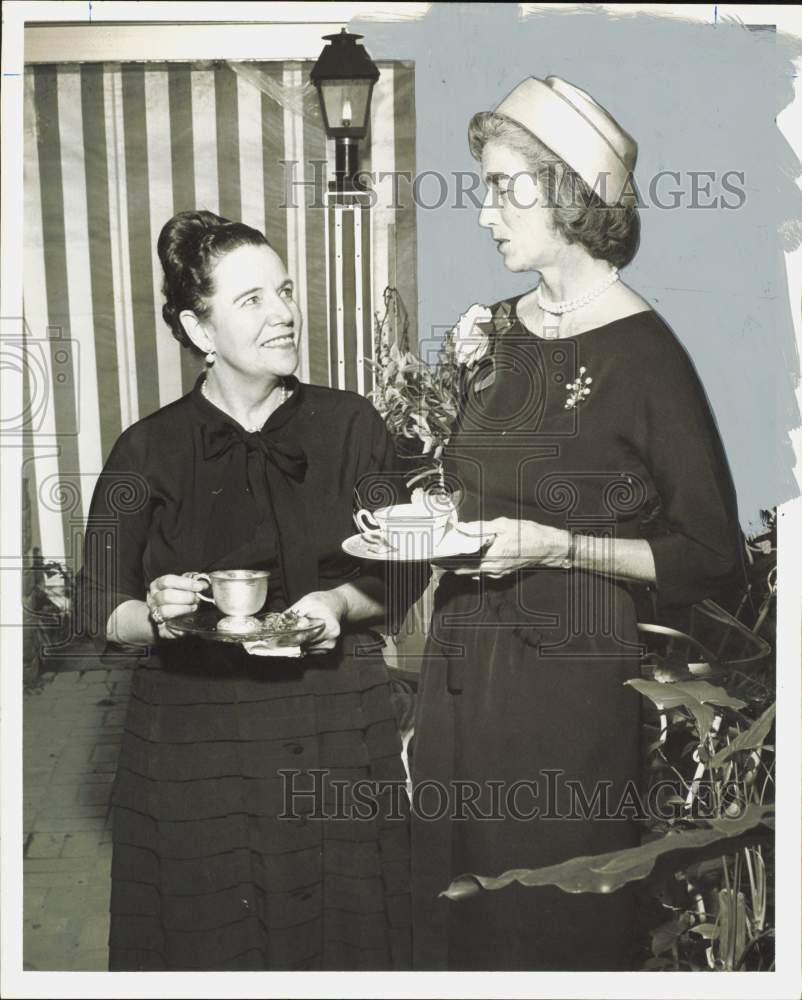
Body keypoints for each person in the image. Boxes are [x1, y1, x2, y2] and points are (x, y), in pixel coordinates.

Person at [410, 76, 746, 971]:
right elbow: (482, 485)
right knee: (455, 923)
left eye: (502, 187)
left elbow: (713, 554)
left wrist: (562, 545)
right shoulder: (501, 331)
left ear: (568, 194)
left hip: (569, 697)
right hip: (459, 673)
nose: (482, 212)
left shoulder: (647, 356)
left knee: (549, 928)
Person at [78, 210, 416, 971]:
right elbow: (98, 602)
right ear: (199, 330)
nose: (286, 313)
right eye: (253, 299)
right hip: (196, 739)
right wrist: (157, 615)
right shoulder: (146, 449)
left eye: (286, 291)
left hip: (336, 722)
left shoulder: (353, 426)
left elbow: (400, 573)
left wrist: (336, 605)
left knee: (349, 933)